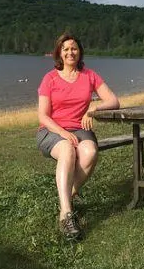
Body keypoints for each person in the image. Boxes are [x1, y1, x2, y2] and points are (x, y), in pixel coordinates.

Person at [36, 33, 119, 241]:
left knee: (90, 151)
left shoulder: (89, 75)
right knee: (66, 148)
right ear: (59, 53)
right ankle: (66, 214)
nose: (70, 52)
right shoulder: (50, 78)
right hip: (52, 131)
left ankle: (67, 195)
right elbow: (42, 116)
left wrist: (93, 108)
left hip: (79, 129)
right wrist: (62, 133)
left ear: (79, 51)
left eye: (73, 48)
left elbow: (114, 101)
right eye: (65, 49)